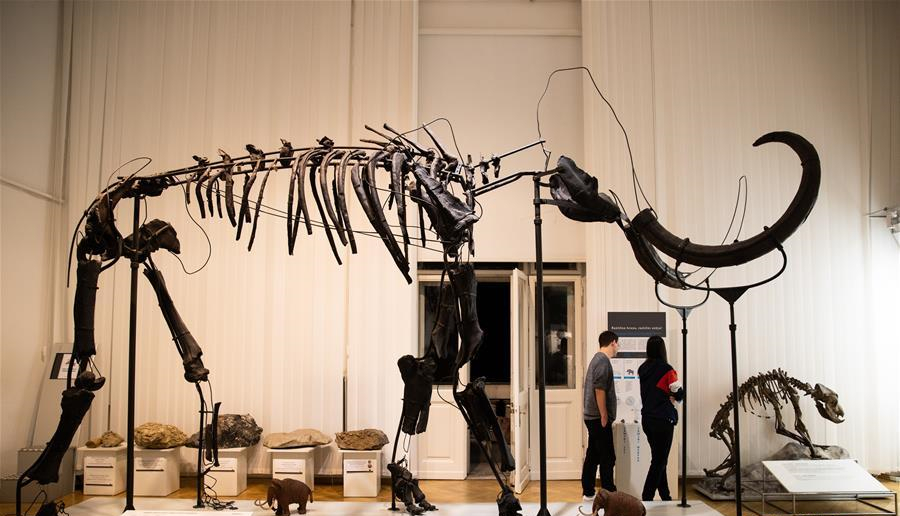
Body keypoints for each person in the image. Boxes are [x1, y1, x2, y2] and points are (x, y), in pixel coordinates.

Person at [638, 335, 684, 501]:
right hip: (663, 420)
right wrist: (672, 396)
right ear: (662, 349)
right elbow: (679, 394)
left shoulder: (642, 369)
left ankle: (665, 496)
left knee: (659, 459)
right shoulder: (667, 369)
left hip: (647, 420)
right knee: (659, 461)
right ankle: (647, 497)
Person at [581, 330, 619, 501]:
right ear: (613, 342)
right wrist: (604, 414)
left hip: (592, 416)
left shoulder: (597, 359)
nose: (617, 348)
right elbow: (599, 389)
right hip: (598, 418)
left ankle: (588, 491)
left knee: (594, 454)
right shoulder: (602, 361)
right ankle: (608, 492)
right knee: (607, 457)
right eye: (617, 344)